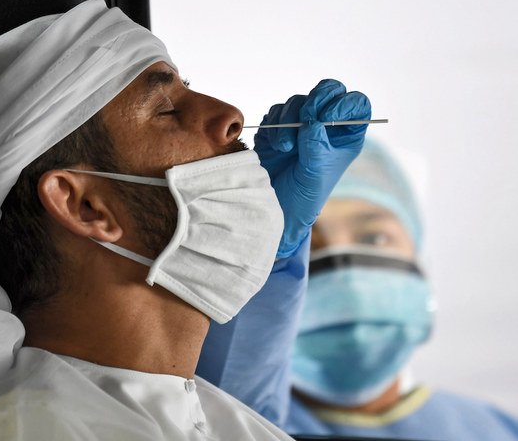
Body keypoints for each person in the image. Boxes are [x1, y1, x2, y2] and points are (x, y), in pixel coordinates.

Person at [0, 0, 371, 440]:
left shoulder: (196, 411)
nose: (232, 115)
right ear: (84, 206)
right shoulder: (33, 431)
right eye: (166, 109)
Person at [198, 138, 518, 440]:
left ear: (421, 259)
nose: (346, 276)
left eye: (374, 238)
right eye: (309, 248)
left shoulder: (496, 428)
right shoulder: (225, 421)